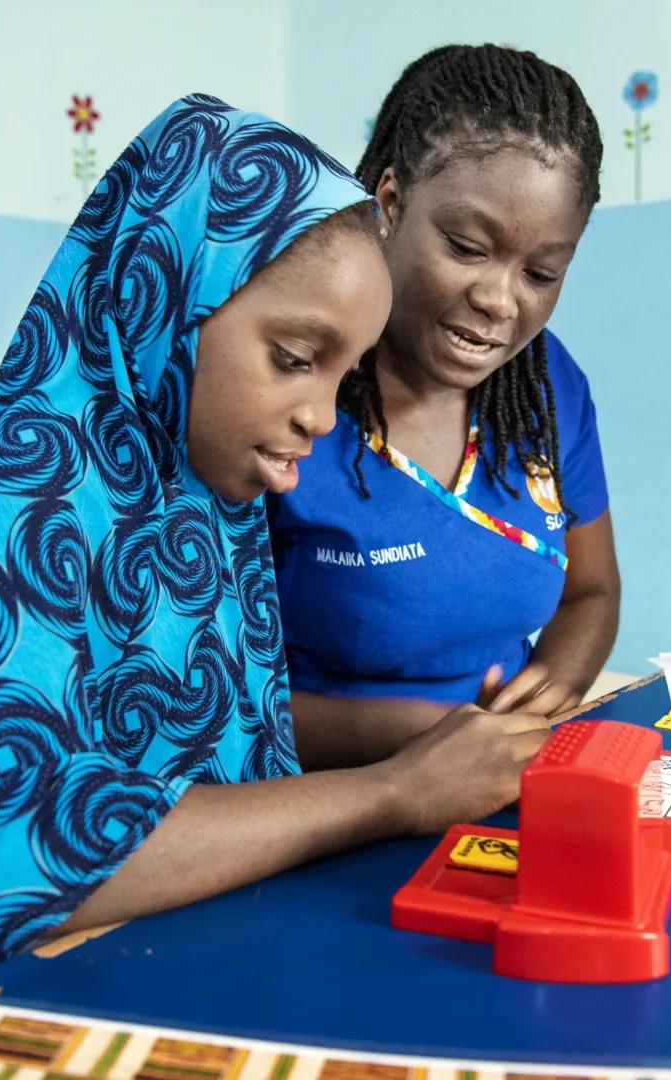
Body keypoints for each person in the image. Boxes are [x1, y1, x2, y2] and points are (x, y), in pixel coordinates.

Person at [0, 95, 550, 1042]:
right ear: (165, 297)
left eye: (342, 374)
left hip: (163, 959)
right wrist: (392, 792)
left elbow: (207, 740)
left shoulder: (196, 487)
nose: (322, 417)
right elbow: (16, 862)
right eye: (295, 358)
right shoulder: (27, 488)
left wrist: (411, 735)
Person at [268, 46, 621, 771]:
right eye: (466, 247)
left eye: (541, 273)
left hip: (493, 780)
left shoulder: (548, 388)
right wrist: (423, 741)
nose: (499, 299)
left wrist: (548, 693)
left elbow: (590, 591)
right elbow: (210, 694)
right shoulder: (289, 388)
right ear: (391, 202)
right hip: (314, 796)